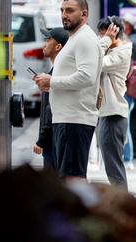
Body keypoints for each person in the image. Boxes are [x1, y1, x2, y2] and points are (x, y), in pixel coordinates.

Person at [33, 0, 102, 180]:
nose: (64, 15)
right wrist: (50, 83)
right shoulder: (75, 38)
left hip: (75, 121)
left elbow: (87, 77)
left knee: (72, 182)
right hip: (66, 120)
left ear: (84, 14)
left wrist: (53, 81)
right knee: (67, 182)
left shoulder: (85, 38)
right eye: (62, 10)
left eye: (70, 10)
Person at [96, 17, 132, 188]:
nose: (100, 39)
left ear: (114, 33)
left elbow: (95, 63)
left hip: (114, 115)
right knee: (112, 167)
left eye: (104, 35)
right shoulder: (111, 51)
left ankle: (123, 208)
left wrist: (105, 41)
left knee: (114, 170)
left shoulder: (121, 52)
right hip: (107, 114)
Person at [33, 27, 69, 171]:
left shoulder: (58, 74)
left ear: (58, 46)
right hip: (54, 139)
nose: (44, 44)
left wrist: (42, 140)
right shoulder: (55, 73)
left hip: (53, 140)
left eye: (48, 40)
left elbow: (51, 109)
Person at [122, 13, 136, 161]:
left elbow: (135, 63)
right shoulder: (134, 40)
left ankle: (133, 149)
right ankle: (134, 147)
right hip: (132, 85)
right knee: (132, 117)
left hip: (131, 85)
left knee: (131, 118)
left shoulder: (132, 41)